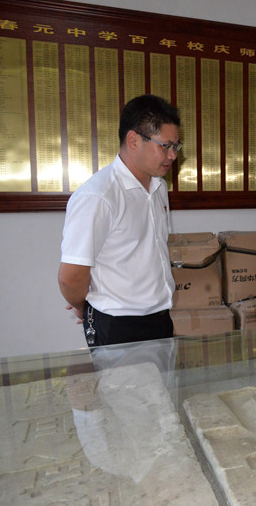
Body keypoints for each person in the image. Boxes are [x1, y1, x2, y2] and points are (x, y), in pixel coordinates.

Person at [58, 94, 181, 347]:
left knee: (163, 376)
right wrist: (84, 307)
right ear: (133, 140)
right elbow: (71, 276)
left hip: (159, 317)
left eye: (176, 147)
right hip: (118, 324)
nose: (172, 156)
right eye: (165, 146)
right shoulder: (99, 196)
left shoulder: (158, 187)